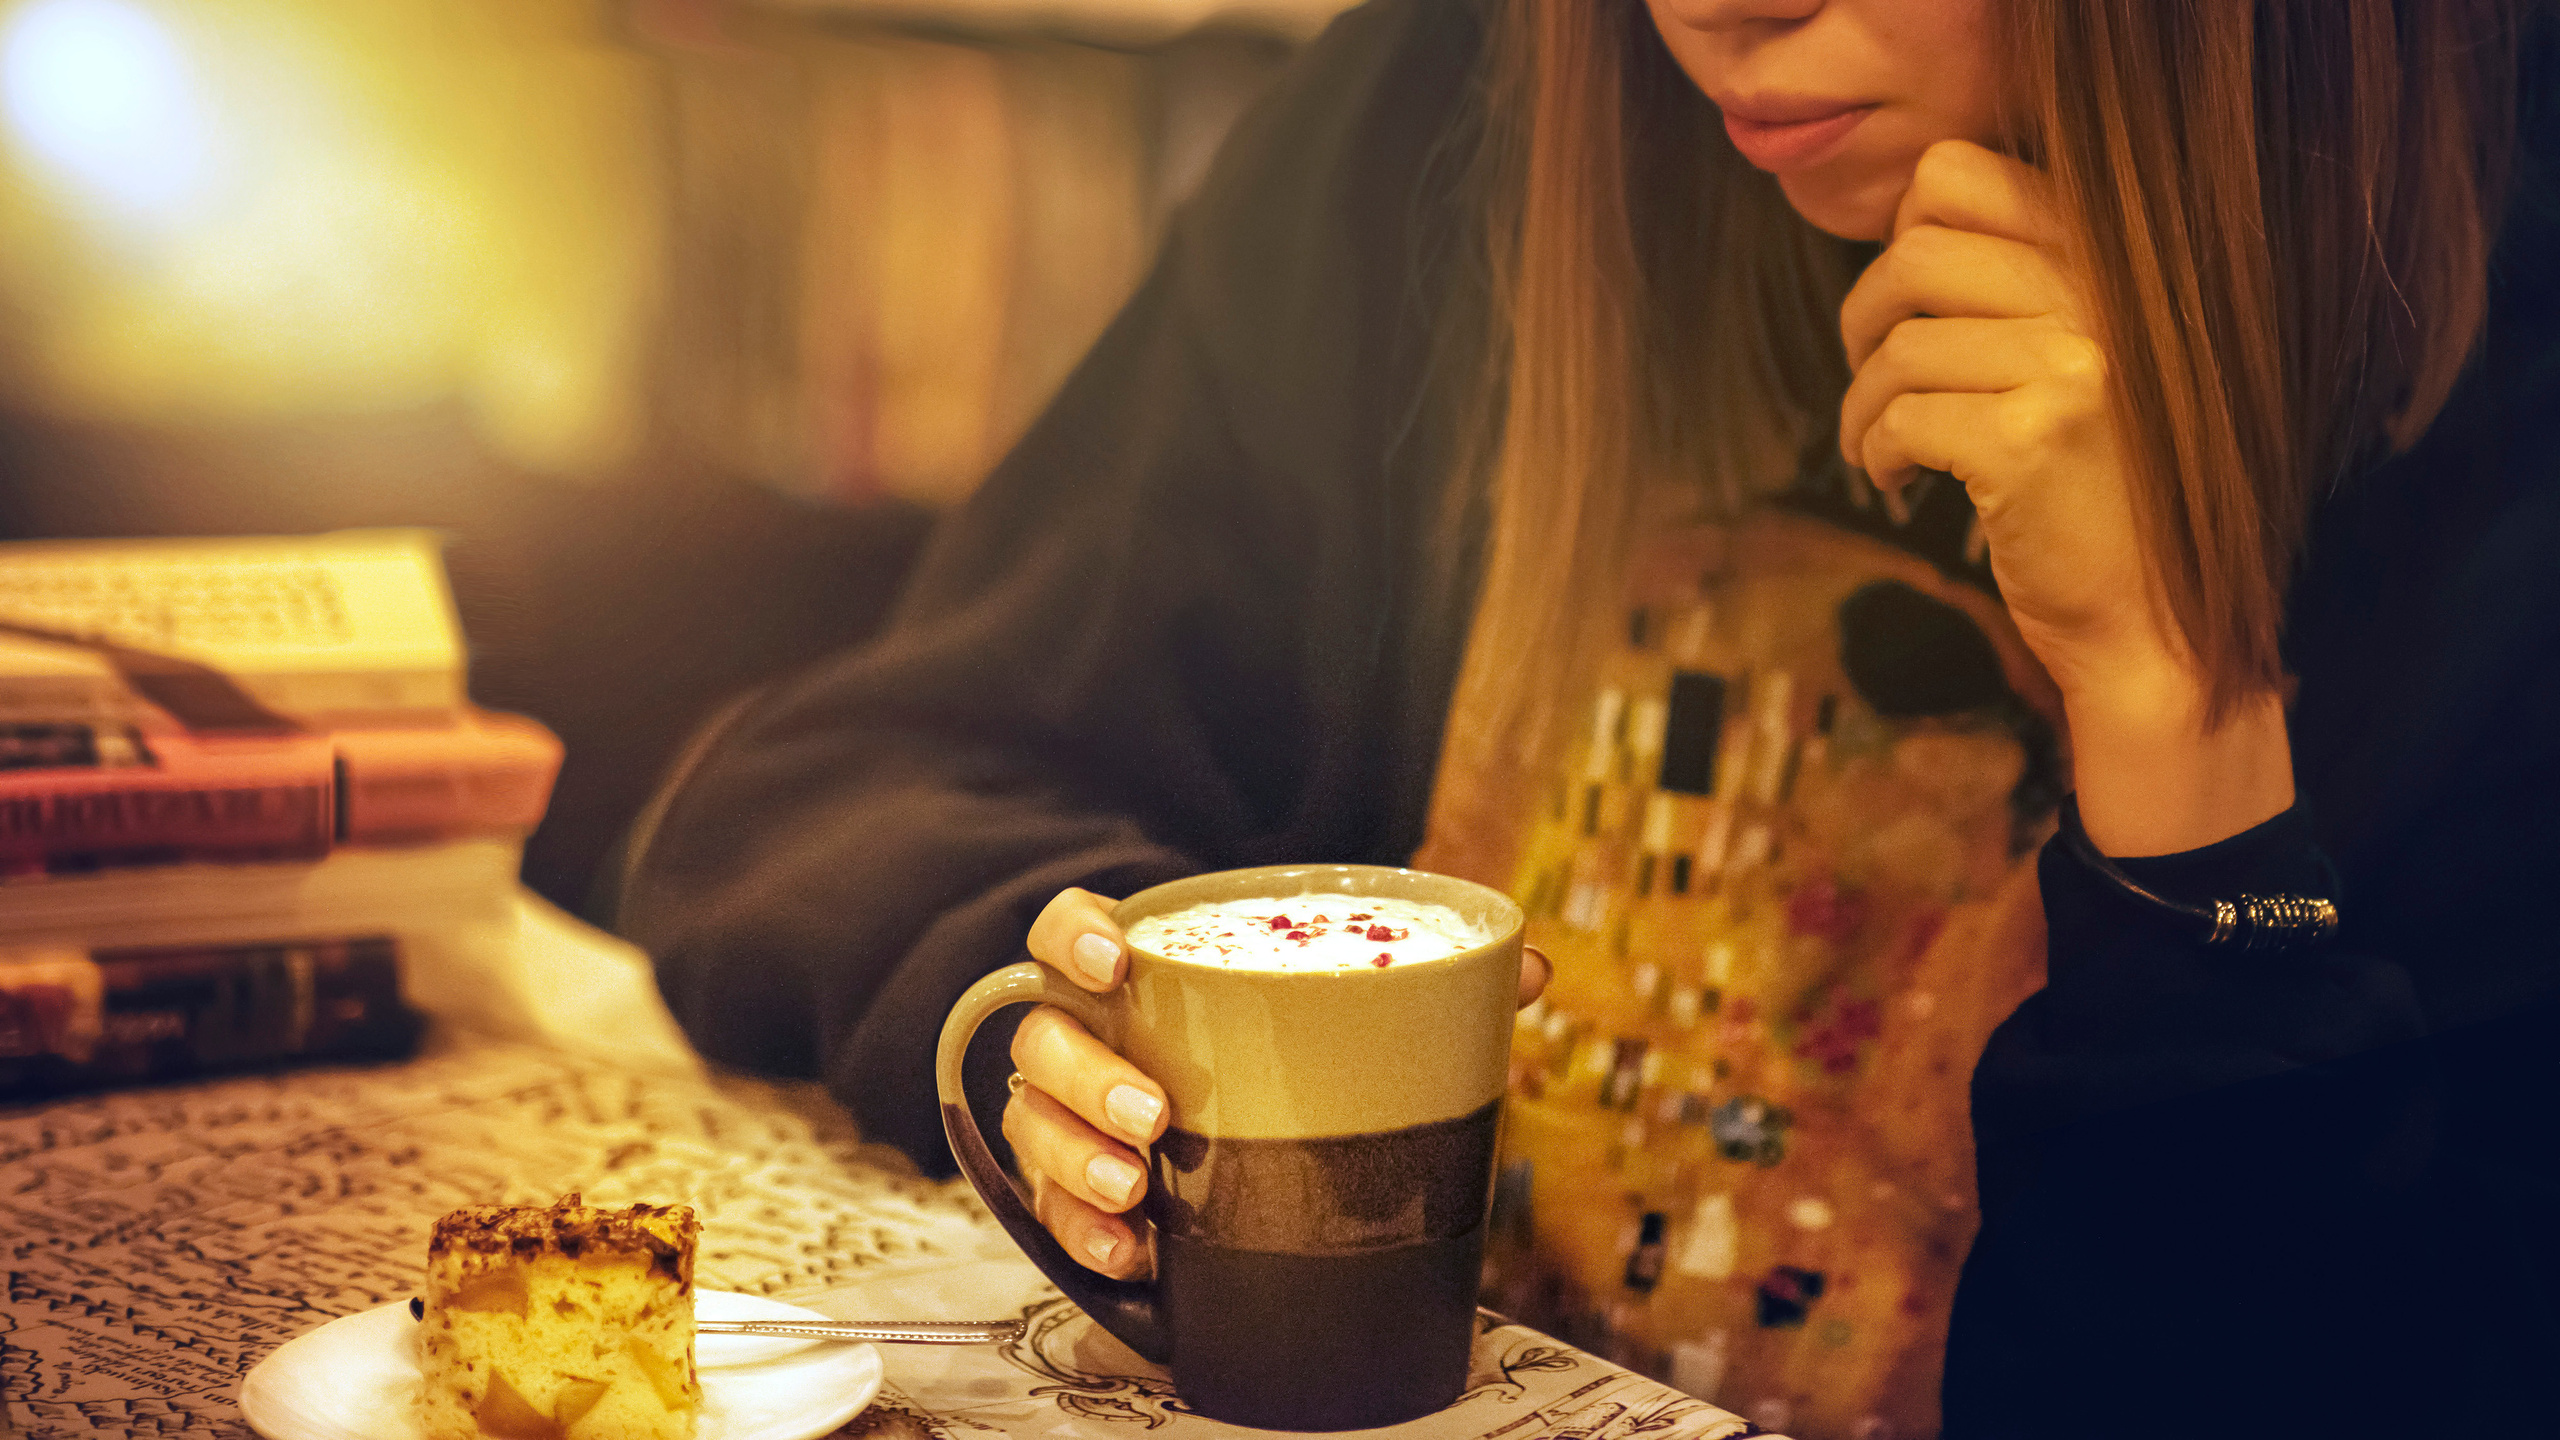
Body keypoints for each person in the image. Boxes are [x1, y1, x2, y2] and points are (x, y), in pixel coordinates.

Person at [621, 0, 2560, 1433]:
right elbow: (835, 787)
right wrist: (1094, 1039)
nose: (1706, 9)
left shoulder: (2504, 322)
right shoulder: (1455, 115)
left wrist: (2174, 717)